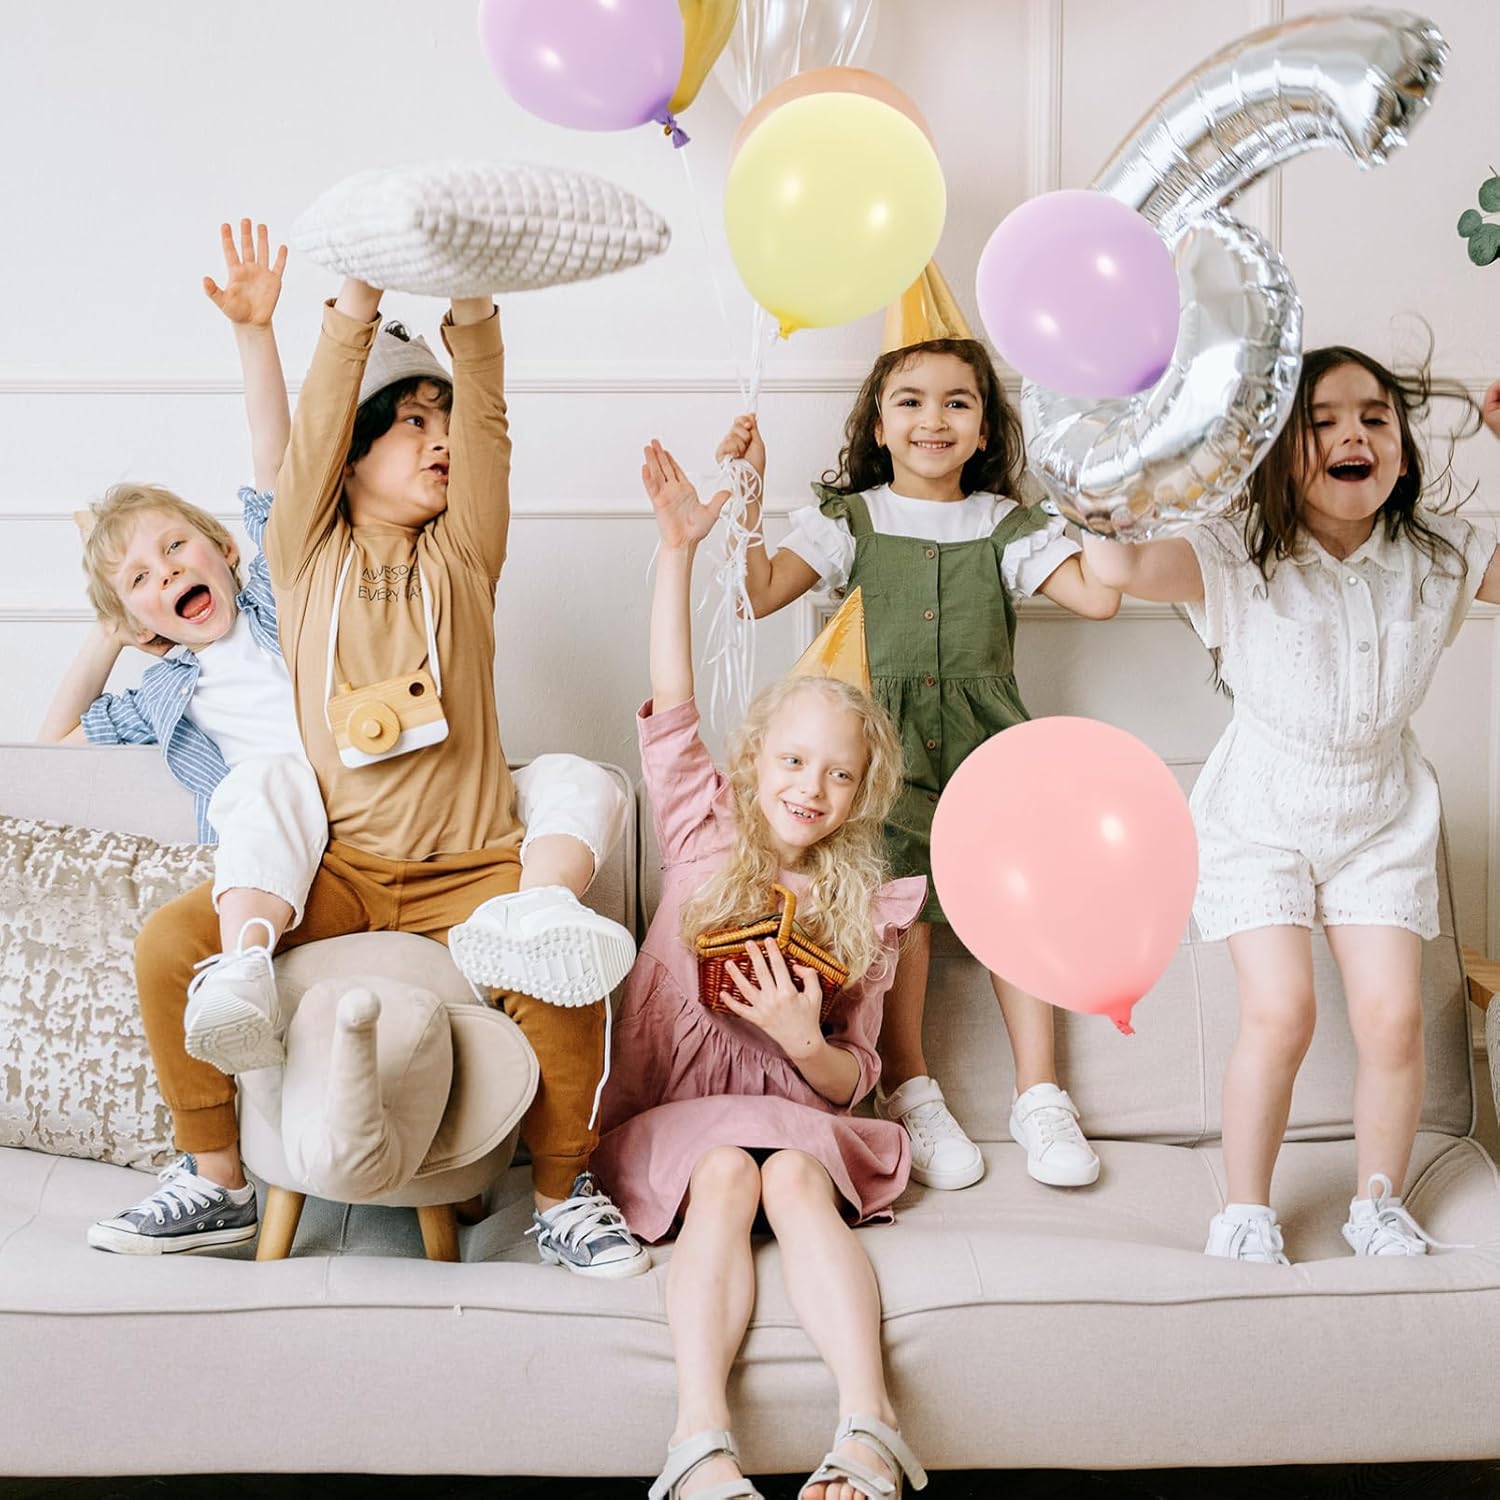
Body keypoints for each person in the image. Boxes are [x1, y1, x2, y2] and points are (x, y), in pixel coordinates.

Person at [87, 258, 643, 1271]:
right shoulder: (303, 560)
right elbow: (303, 440)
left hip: (473, 867)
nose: (441, 440)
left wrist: (473, 300)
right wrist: (356, 298)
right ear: (348, 457)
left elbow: (489, 427)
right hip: (341, 868)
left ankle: (565, 1198)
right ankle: (216, 1182)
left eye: (443, 422)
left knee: (564, 977)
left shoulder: (464, 554)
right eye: (413, 424)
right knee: (171, 944)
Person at [1081, 347, 1500, 1262]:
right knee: (1282, 1013)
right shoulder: (1234, 553)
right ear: (1276, 448)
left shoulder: (1436, 556)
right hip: (1260, 812)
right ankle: (1244, 1210)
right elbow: (1116, 567)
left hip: (1382, 814)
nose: (1355, 435)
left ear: (1401, 449)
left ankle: (1378, 1206)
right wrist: (1123, 460)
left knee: (1394, 1019)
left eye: (1376, 419)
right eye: (1323, 421)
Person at [590, 438, 930, 1500]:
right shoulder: (701, 831)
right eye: (792, 761)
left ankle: (870, 1428)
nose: (810, 790)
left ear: (862, 795)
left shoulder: (867, 907)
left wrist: (799, 1036)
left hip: (799, 1119)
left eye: (838, 776)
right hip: (677, 1121)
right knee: (729, 1175)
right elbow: (671, 695)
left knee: (790, 1177)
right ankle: (699, 1441)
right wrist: (678, 551)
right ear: (754, 761)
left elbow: (854, 1078)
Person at [722, 335, 1119, 1193]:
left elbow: (1098, 597)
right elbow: (757, 593)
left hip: (988, 747)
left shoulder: (1004, 525)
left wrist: (1099, 489)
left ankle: (1041, 1094)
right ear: (878, 425)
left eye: (957, 402)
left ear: (985, 430)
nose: (933, 419)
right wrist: (749, 491)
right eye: (910, 401)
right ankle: (911, 1087)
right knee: (899, 914)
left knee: (1014, 902)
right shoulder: (850, 521)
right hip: (879, 756)